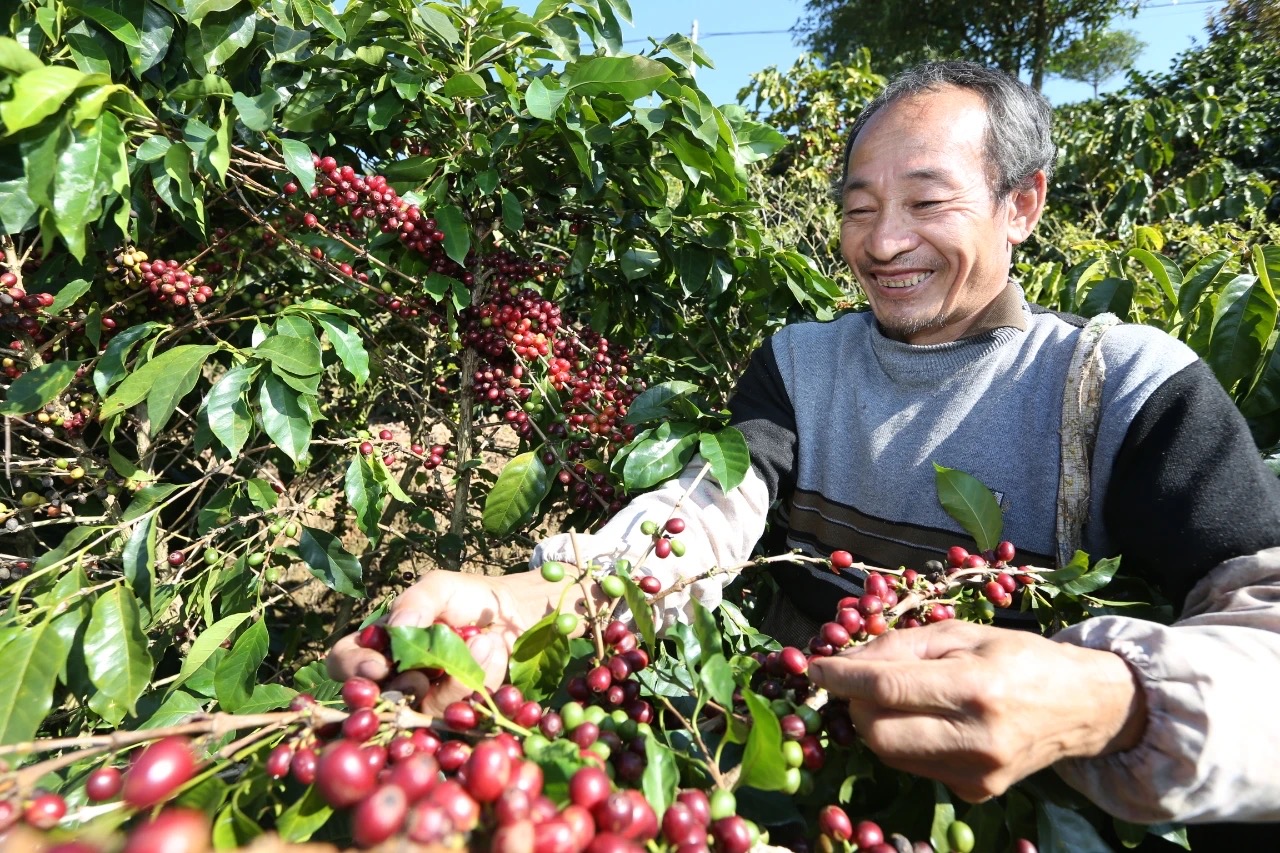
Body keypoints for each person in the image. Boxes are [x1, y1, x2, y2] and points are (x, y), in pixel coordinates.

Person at [330, 61, 1280, 842]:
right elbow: (702, 517)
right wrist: (540, 597)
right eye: (860, 208)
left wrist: (1114, 698)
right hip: (797, 794)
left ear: (1021, 205)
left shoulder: (1125, 386)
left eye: (927, 200)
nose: (886, 242)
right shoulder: (800, 364)